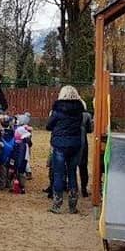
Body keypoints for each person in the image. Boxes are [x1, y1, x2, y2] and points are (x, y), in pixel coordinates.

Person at [46, 85, 86, 214]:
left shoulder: (57, 110)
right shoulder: (79, 111)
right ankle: (72, 206)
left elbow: (48, 126)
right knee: (72, 172)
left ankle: (57, 204)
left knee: (58, 173)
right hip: (75, 144)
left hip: (59, 144)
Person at [79, 108, 94, 198]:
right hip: (82, 142)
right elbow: (90, 130)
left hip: (69, 140)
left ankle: (70, 187)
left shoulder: (66, 112)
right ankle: (84, 188)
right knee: (83, 166)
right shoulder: (87, 115)